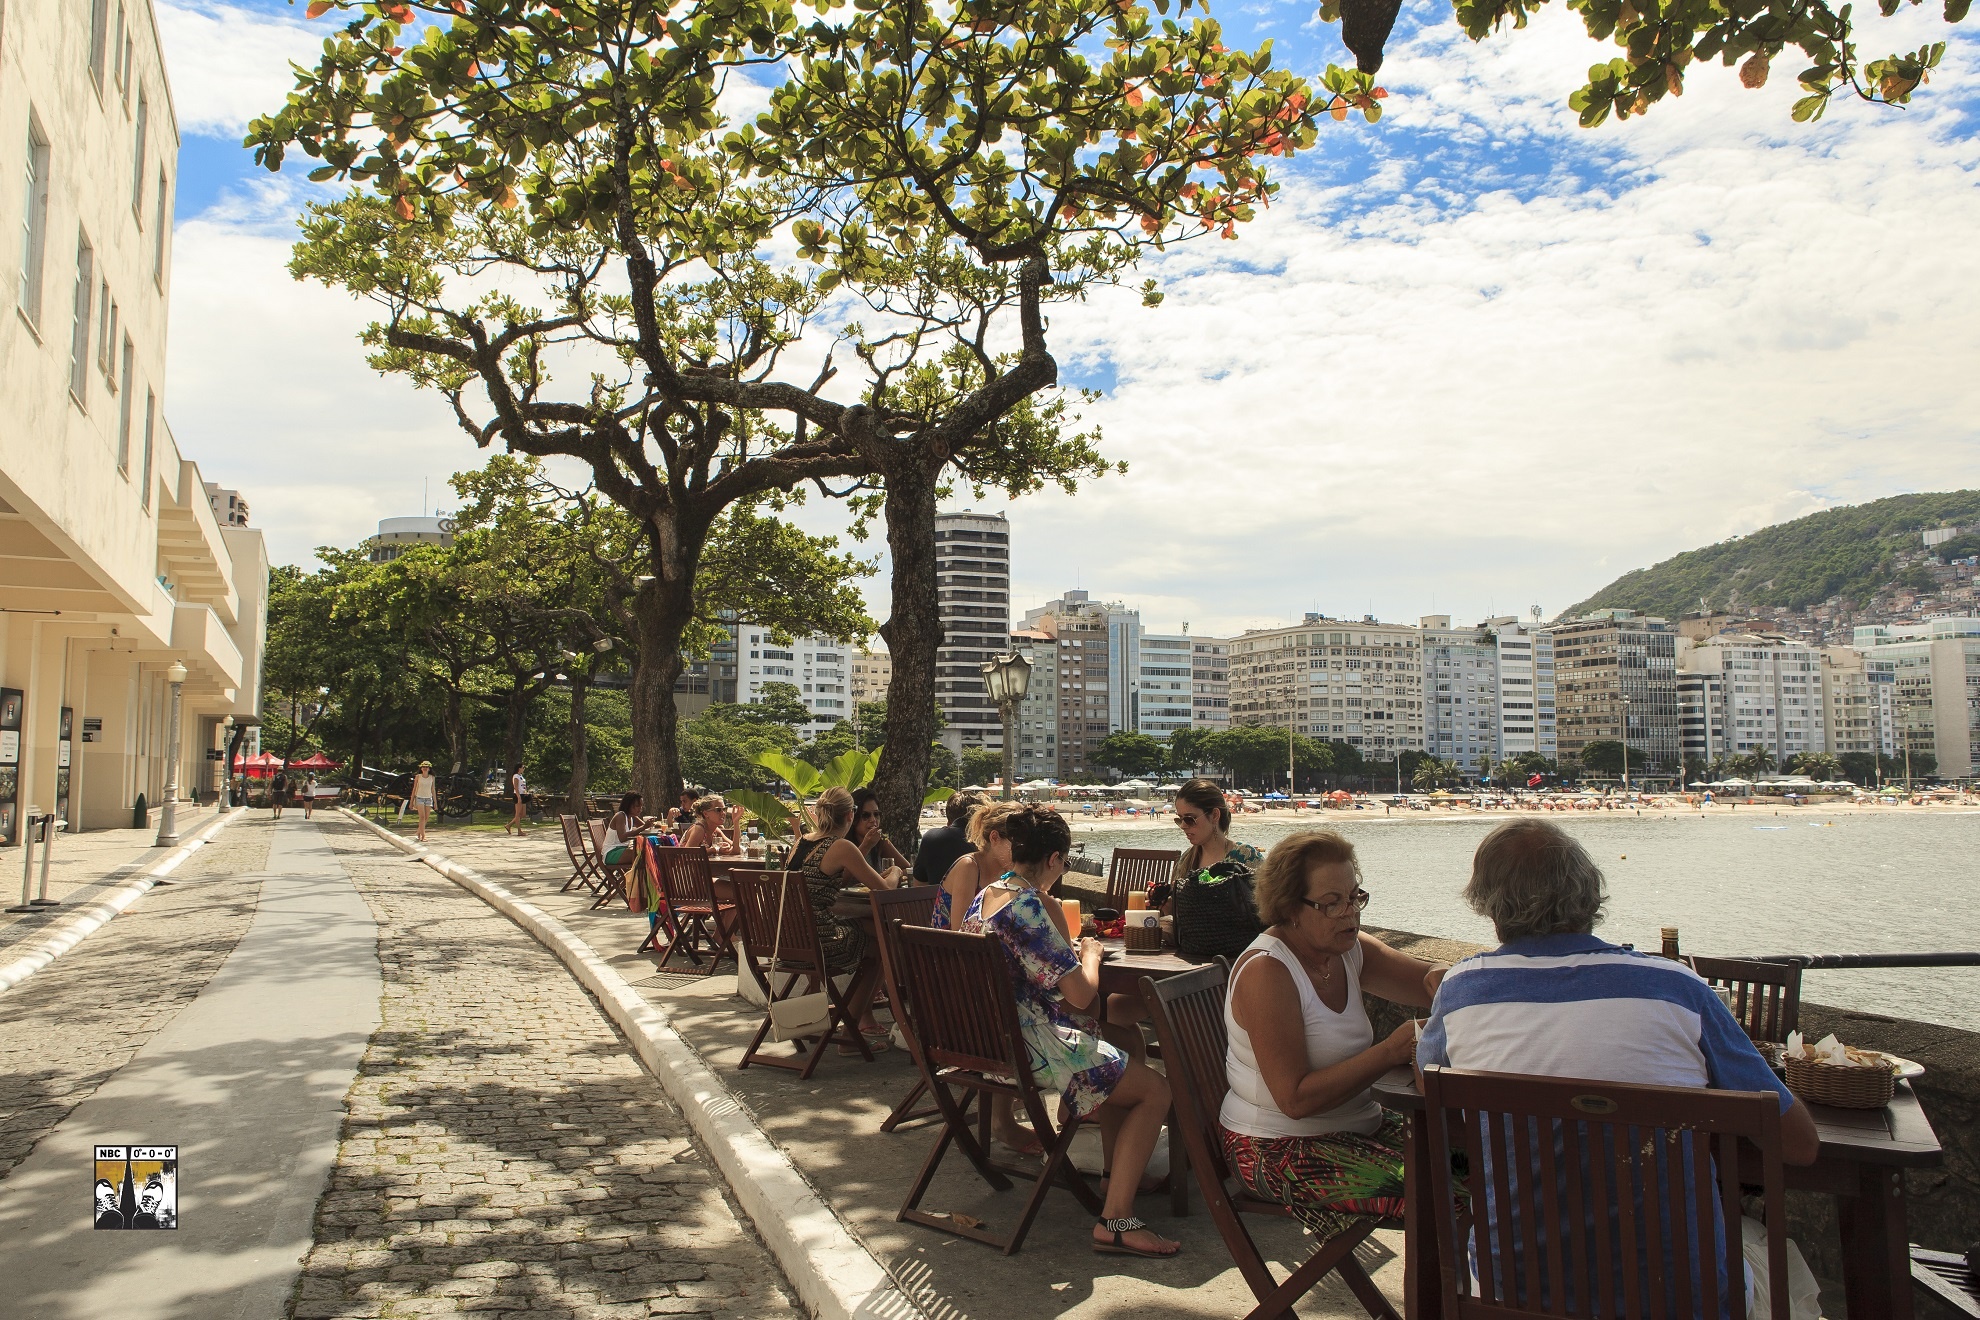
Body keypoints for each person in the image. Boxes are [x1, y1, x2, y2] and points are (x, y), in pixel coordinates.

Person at [1417, 819, 1821, 1313]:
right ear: (1589, 893)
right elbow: (1798, 1146)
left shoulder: (1461, 992)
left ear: (1487, 904)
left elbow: (1431, 1083)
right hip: (1675, 1301)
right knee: (1771, 1254)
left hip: (1518, 1295)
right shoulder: (1678, 989)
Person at [960, 806, 1182, 1260]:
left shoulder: (987, 897)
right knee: (1156, 1091)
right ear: (1057, 859)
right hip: (1029, 1048)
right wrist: (1091, 953)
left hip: (986, 1043)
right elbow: (1082, 997)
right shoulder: (1029, 907)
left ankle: (1113, 1175)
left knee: (1121, 1044)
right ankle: (1116, 1220)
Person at [1221, 830, 1445, 1238]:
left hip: (1357, 1128)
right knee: (1449, 1191)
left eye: (1355, 897)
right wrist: (1391, 1050)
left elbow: (1430, 983)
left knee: (1491, 1165)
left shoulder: (1347, 949)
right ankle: (1442, 1302)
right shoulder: (1268, 971)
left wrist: (1476, 979)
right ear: (1289, 908)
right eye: (1331, 903)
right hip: (1276, 1148)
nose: (1349, 914)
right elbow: (1295, 1099)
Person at [791, 786, 899, 1045]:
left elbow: (824, 884)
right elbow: (884, 890)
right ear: (850, 815)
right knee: (882, 946)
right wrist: (894, 872)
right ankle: (852, 1028)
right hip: (818, 941)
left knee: (876, 934)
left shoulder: (802, 842)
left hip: (789, 939)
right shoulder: (841, 846)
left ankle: (843, 1019)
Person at [913, 790, 987, 887]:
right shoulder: (991, 841)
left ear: (948, 819)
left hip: (939, 900)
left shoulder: (932, 838)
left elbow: (919, 885)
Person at [851, 787, 912, 874]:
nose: (873, 820)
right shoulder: (845, 844)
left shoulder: (881, 839)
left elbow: (909, 870)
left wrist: (891, 875)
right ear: (853, 818)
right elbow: (843, 879)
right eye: (866, 815)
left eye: (876, 814)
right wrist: (866, 846)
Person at [411, 761, 437, 842]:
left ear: (429, 769)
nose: (425, 768)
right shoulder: (418, 777)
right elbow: (414, 789)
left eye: (427, 767)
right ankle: (423, 836)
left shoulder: (432, 777)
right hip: (419, 798)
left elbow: (433, 790)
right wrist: (411, 801)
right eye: (423, 767)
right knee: (422, 817)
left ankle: (419, 832)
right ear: (421, 768)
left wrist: (435, 803)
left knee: (426, 817)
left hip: (428, 798)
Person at [505, 764, 530, 835]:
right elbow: (516, 787)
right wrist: (518, 797)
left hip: (523, 794)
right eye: (523, 767)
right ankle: (519, 831)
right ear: (519, 768)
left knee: (523, 814)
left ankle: (509, 825)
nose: (524, 769)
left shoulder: (521, 776)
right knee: (518, 814)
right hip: (518, 795)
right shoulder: (515, 776)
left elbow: (523, 786)